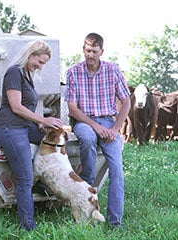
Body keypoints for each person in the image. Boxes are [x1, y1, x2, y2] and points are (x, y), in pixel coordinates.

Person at [0, 39, 63, 231]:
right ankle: (27, 226)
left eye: (43, 64)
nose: (40, 66)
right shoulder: (14, 72)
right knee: (24, 178)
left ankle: (44, 182)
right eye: (39, 61)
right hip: (8, 128)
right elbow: (16, 107)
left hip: (22, 127)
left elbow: (27, 111)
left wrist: (40, 123)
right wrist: (43, 119)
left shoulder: (27, 75)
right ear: (30, 55)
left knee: (53, 139)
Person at [65, 32, 131, 229]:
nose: (90, 55)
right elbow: (72, 108)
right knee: (86, 138)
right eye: (87, 50)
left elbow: (126, 101)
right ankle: (88, 181)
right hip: (84, 121)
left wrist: (115, 129)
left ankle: (115, 222)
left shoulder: (113, 70)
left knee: (117, 173)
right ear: (83, 50)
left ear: (102, 51)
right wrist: (96, 127)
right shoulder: (73, 72)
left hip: (109, 122)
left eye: (94, 51)